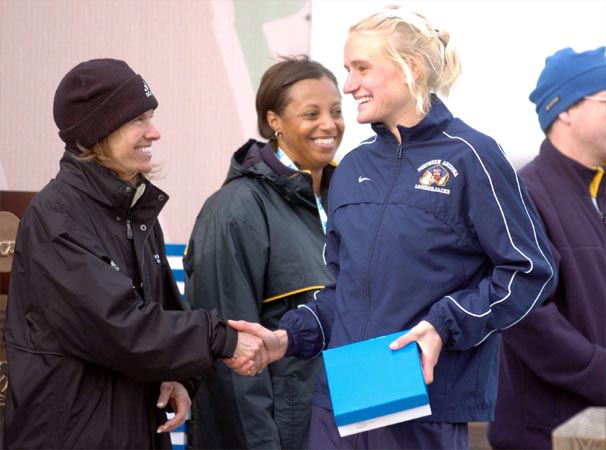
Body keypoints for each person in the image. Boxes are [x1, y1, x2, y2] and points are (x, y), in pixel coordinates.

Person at [230, 8, 557, 450]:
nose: (348, 86)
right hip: (342, 402)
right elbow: (342, 294)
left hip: (424, 405)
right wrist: (286, 337)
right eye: (347, 69)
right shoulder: (352, 169)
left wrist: (446, 324)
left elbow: (530, 271)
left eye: (361, 68)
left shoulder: (471, 157)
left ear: (412, 69)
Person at [2, 58, 264, 449]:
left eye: (151, 117)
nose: (154, 132)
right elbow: (124, 328)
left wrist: (177, 374)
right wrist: (222, 340)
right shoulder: (57, 221)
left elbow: (166, 312)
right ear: (97, 132)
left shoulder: (136, 211)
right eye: (138, 120)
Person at [183, 55, 344, 450]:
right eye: (311, 113)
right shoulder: (235, 210)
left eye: (336, 111)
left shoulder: (350, 200)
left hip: (340, 428)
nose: (329, 124)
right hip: (278, 437)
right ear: (274, 121)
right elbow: (231, 359)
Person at [488, 46, 606, 449]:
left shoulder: (600, 190)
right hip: (547, 433)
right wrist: (599, 372)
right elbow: (524, 313)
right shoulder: (523, 196)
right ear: (565, 109)